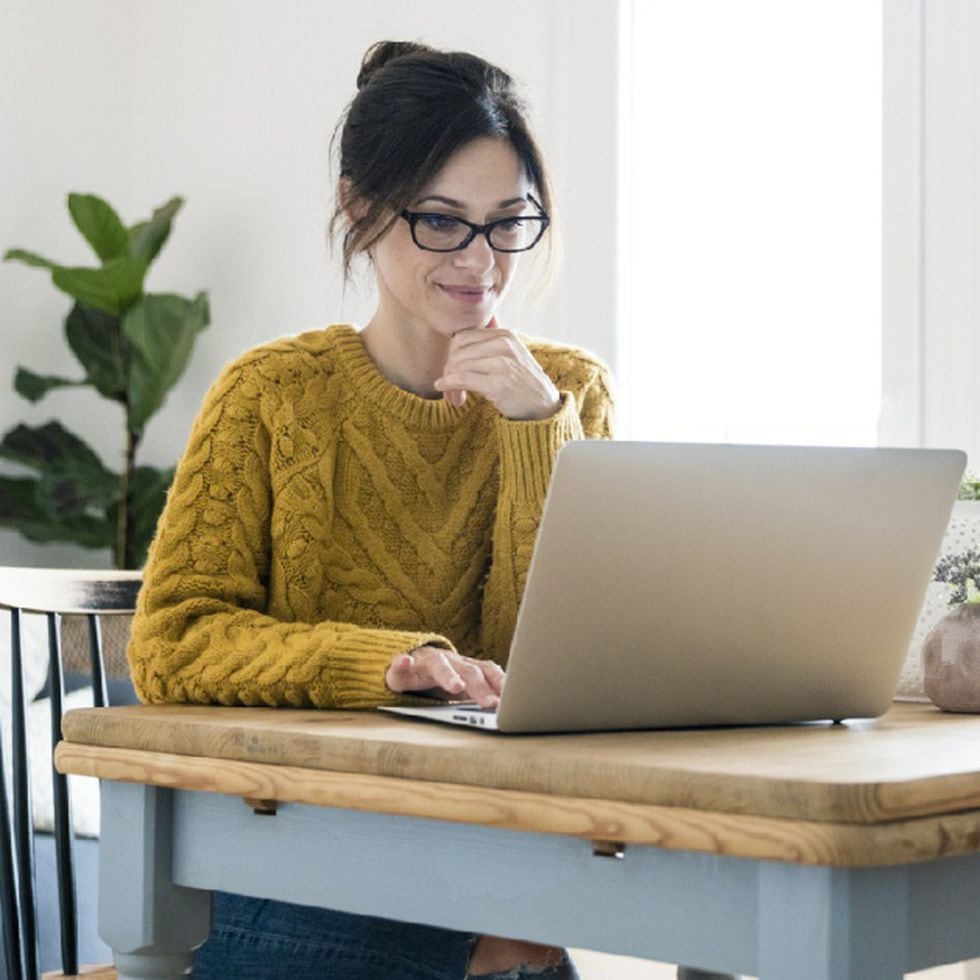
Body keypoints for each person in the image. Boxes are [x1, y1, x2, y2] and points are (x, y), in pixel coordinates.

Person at [128, 38, 727, 980]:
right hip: (292, 863)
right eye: (443, 222)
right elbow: (172, 641)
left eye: (508, 222)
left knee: (640, 931)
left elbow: (571, 664)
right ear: (360, 210)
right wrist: (388, 666)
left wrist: (535, 431)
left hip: (505, 862)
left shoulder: (567, 395)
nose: (481, 261)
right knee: (501, 954)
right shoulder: (272, 397)